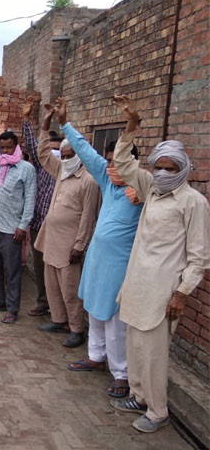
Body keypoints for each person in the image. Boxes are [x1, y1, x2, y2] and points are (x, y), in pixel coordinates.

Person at [109, 95, 210, 433]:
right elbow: (123, 164)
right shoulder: (151, 188)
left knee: (154, 354)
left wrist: (182, 293)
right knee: (135, 346)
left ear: (183, 169)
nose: (164, 172)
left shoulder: (193, 202)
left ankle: (158, 411)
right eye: (160, 166)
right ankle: (139, 396)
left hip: (163, 291)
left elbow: (199, 256)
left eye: (171, 168)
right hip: (137, 283)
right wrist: (131, 126)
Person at [61, 106, 143, 398]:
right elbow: (85, 151)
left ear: (132, 164)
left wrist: (144, 189)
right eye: (108, 162)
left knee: (114, 319)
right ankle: (95, 356)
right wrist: (64, 124)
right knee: (94, 310)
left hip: (119, 266)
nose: (110, 166)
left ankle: (121, 373)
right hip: (97, 260)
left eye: (117, 162)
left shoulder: (143, 189)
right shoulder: (108, 183)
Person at [34, 99, 100, 348]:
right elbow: (42, 154)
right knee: (52, 284)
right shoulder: (61, 170)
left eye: (70, 155)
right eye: (63, 156)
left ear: (80, 156)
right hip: (51, 239)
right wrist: (46, 123)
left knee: (70, 288)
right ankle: (58, 320)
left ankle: (76, 329)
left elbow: (88, 215)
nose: (66, 158)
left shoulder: (88, 180)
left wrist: (79, 245)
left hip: (70, 243)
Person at [0, 94, 36, 324]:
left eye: (9, 147)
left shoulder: (26, 168)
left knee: (12, 270)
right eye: (2, 147)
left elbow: (30, 199)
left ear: (16, 147)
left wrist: (23, 225)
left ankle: (12, 309)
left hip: (11, 227)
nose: (4, 151)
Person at [21, 96, 57, 317]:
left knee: (59, 269)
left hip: (60, 229)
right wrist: (27, 119)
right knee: (41, 266)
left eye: (59, 151)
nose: (55, 155)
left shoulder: (69, 172)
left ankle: (59, 309)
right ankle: (43, 303)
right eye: (51, 150)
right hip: (38, 225)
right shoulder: (42, 167)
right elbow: (32, 145)